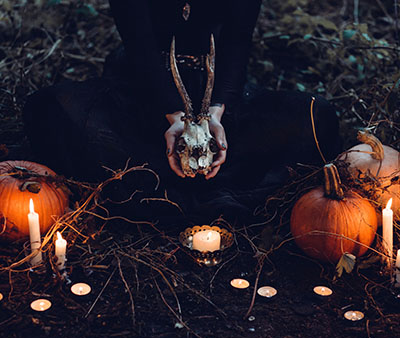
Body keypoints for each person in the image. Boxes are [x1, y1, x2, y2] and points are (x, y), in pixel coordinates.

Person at [23, 0, 340, 224]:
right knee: (49, 110)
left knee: (316, 118)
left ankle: (167, 181)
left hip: (219, 91)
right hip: (142, 91)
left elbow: (237, 41)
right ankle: (186, 183)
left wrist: (217, 112)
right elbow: (139, 43)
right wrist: (173, 114)